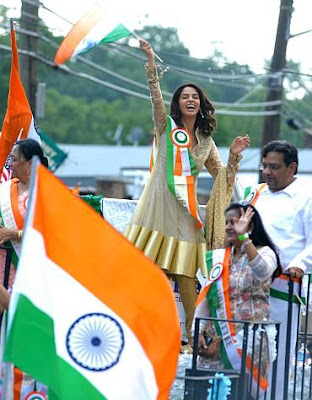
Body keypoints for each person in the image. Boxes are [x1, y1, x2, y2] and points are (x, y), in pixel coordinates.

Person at [124, 39, 250, 345]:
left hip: (185, 210)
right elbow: (155, 100)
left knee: (186, 275)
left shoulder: (206, 142)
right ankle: (141, 332)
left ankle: (193, 337)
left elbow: (222, 178)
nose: (190, 100)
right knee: (148, 272)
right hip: (157, 206)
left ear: (201, 103)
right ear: (178, 103)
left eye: (194, 97)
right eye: (184, 97)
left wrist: (234, 156)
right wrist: (151, 65)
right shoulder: (165, 126)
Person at [244, 140, 312, 399]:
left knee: (277, 354)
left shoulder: (307, 197)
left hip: (284, 286)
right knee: (247, 350)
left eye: (274, 167)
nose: (267, 172)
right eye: (264, 166)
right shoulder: (255, 193)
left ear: (292, 167)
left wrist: (299, 264)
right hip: (249, 285)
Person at [193, 203, 281, 397]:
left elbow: (262, 272)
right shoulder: (218, 258)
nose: (227, 227)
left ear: (249, 226)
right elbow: (208, 298)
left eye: (233, 222)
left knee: (243, 394)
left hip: (249, 341)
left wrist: (245, 239)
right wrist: (197, 332)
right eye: (226, 223)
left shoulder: (266, 253)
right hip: (215, 340)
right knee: (212, 392)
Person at [0, 138, 48, 399]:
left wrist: (15, 233)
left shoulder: (46, 192)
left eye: (15, 159)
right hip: (2, 264)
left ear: (30, 164)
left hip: (28, 270)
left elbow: (49, 233)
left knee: (19, 324)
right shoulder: (4, 191)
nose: (11, 163)